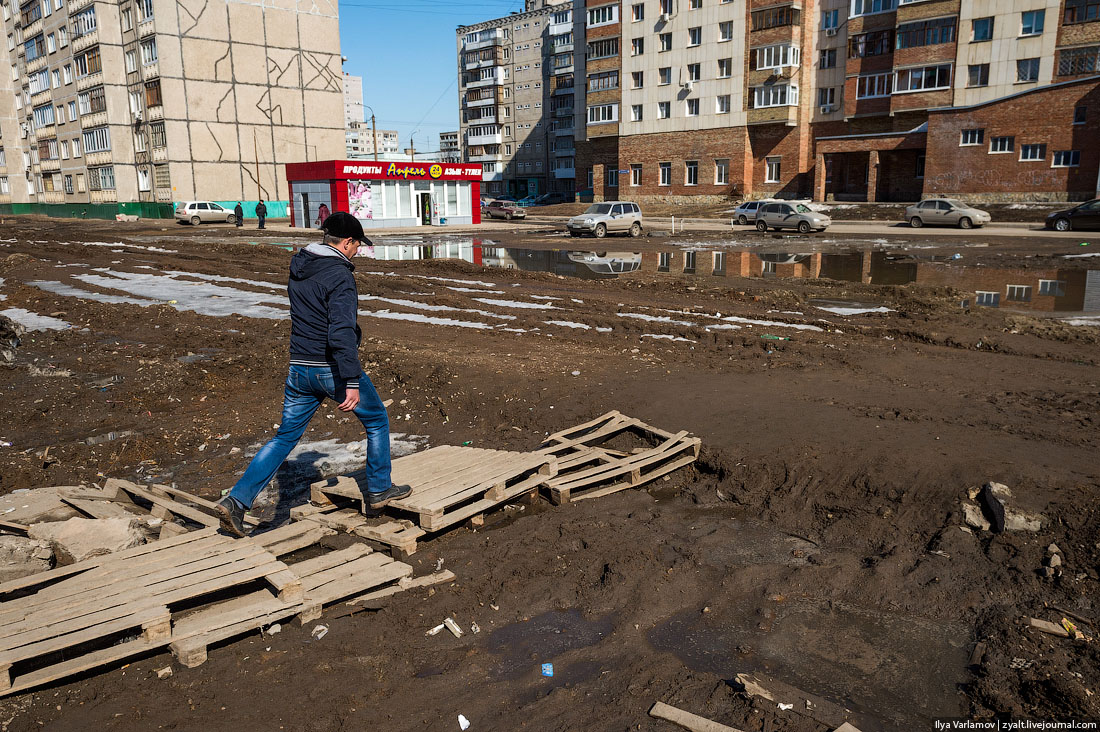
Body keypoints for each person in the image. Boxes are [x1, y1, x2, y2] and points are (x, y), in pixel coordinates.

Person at [216, 212, 408, 536]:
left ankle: (236, 502)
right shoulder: (340, 275)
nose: (358, 251)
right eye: (358, 245)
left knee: (285, 437)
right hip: (331, 369)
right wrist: (349, 382)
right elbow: (341, 332)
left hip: (299, 369)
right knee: (376, 421)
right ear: (347, 242)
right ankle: (378, 492)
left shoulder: (299, 267)